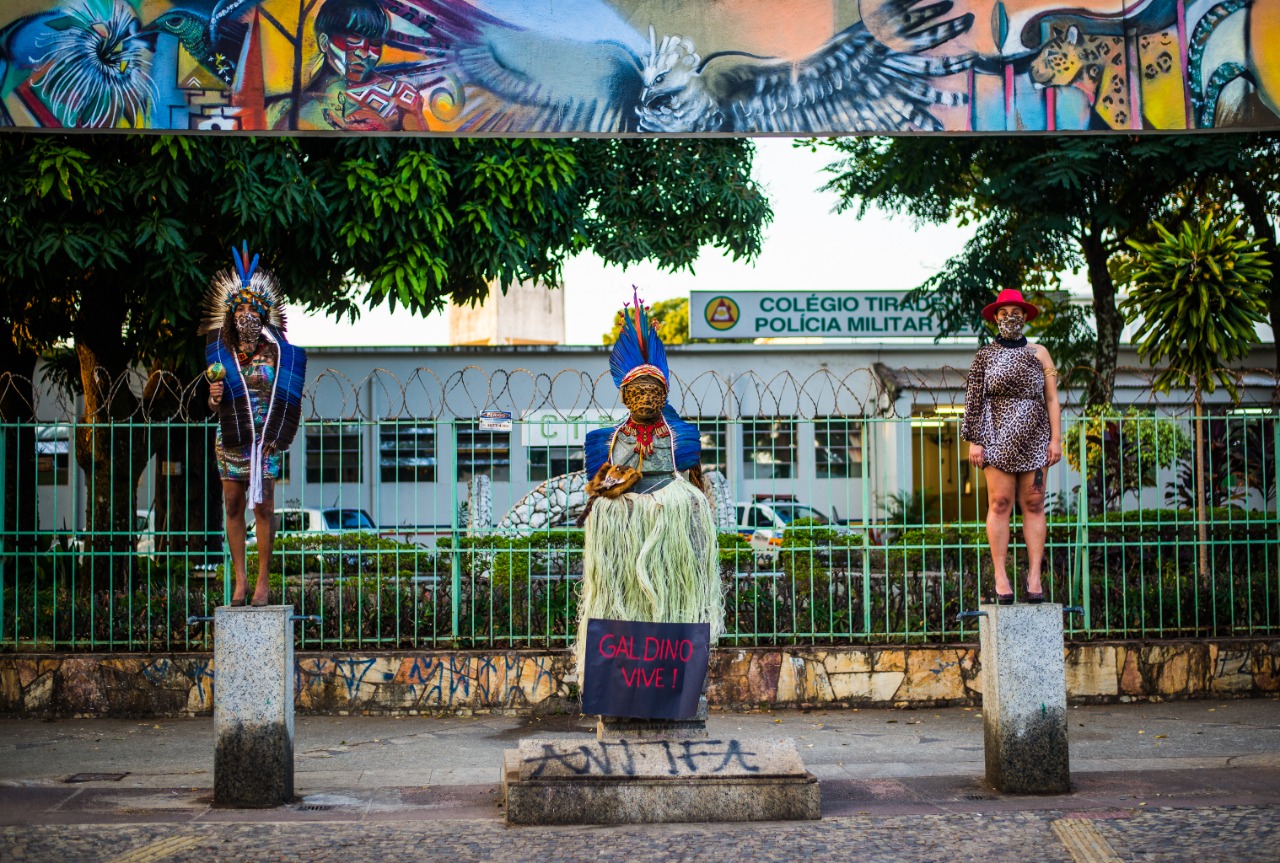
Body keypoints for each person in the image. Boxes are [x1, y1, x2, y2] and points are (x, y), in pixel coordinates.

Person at [573, 289, 723, 674]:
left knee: (673, 593)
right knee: (619, 593)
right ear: (624, 397)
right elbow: (598, 489)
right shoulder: (604, 441)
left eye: (653, 392)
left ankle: (670, 658)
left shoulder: (681, 438)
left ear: (664, 395)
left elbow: (695, 483)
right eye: (637, 392)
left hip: (669, 516)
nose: (645, 399)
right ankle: (618, 664)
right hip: (622, 524)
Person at [201, 245, 307, 607]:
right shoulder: (220, 354)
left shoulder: (278, 351)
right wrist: (214, 396)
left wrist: (277, 431)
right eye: (240, 308)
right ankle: (240, 580)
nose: (245, 314)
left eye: (252, 308)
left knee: (262, 506)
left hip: (264, 439)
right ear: (230, 313)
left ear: (263, 313)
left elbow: (289, 394)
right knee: (232, 502)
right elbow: (214, 404)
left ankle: (263, 581)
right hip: (230, 436)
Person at [961, 289, 1062, 604]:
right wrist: (974, 440)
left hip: (1035, 437)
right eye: (1003, 312)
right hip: (994, 436)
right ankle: (1001, 577)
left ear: (1026, 315)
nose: (1009, 317)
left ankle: (1034, 577)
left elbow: (1052, 399)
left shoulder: (1039, 353)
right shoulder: (984, 355)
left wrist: (1055, 440)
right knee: (1000, 504)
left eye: (1015, 311)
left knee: (1033, 504)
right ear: (995, 318)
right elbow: (973, 399)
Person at [270, 0, 428, 131]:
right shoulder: (304, 104)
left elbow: (420, 147)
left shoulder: (400, 94)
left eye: (374, 43)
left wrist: (390, 126)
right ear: (325, 43)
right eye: (353, 39)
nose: (364, 53)